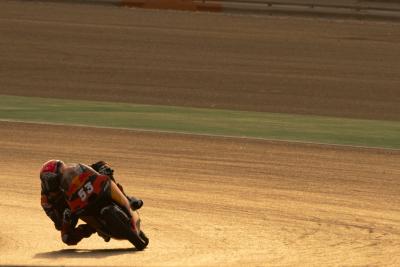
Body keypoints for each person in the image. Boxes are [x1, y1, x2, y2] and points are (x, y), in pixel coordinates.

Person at [40, 159, 143, 245]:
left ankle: (127, 200)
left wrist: (104, 167)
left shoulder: (72, 171)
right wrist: (65, 219)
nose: (49, 184)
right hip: (73, 210)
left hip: (87, 194)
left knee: (106, 177)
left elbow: (99, 164)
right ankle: (93, 227)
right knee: (67, 238)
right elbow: (58, 224)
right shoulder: (46, 201)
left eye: (52, 180)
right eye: (47, 181)